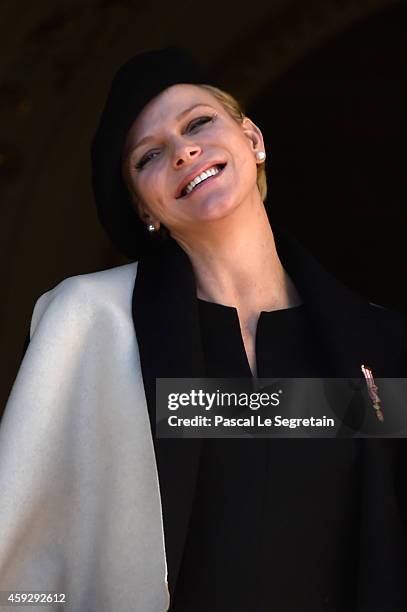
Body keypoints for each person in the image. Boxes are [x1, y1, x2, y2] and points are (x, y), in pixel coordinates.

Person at [1, 47, 406, 612]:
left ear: (253, 139)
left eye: (199, 123)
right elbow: (19, 558)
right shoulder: (94, 324)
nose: (184, 150)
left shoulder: (380, 346)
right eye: (149, 156)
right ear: (145, 208)